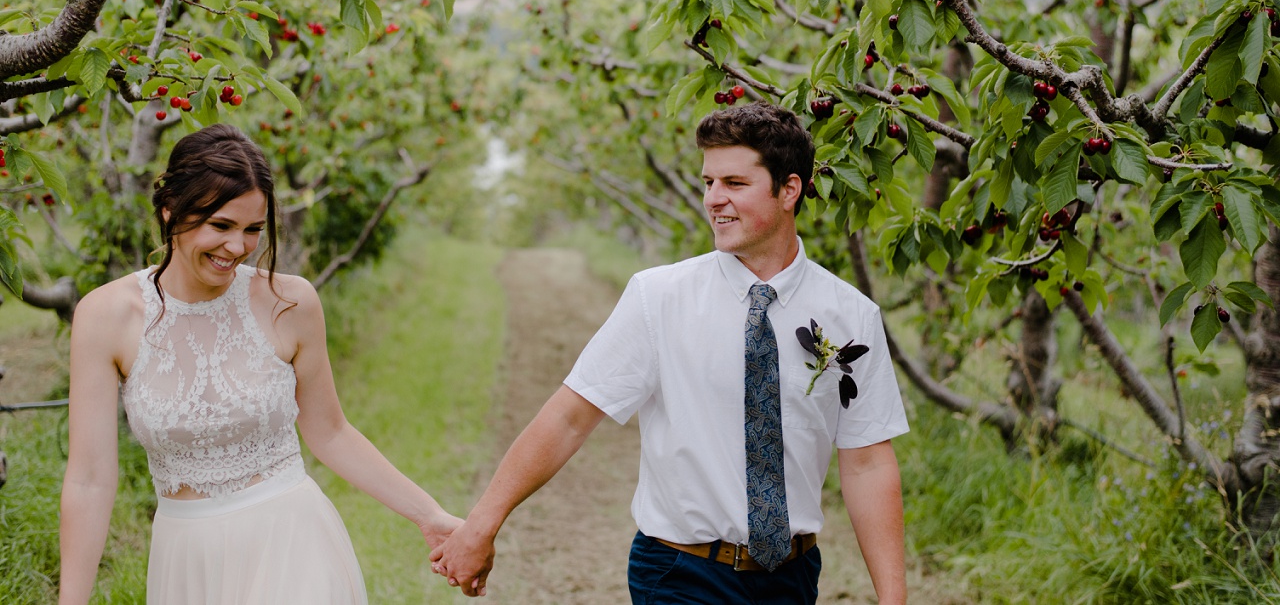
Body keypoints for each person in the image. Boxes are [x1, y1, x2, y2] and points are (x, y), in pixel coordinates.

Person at [431, 102, 909, 603]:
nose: (714, 200)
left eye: (734, 184)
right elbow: (570, 417)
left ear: (789, 190)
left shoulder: (850, 316)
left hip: (792, 578)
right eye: (708, 183)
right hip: (681, 572)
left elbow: (869, 462)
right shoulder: (658, 297)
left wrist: (893, 600)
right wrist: (482, 524)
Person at [59, 123, 460, 605]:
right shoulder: (105, 316)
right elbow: (89, 479)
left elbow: (330, 432)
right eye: (221, 226)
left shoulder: (289, 302)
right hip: (186, 560)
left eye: (252, 229)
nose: (238, 247)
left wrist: (429, 515)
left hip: (292, 541)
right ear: (170, 213)